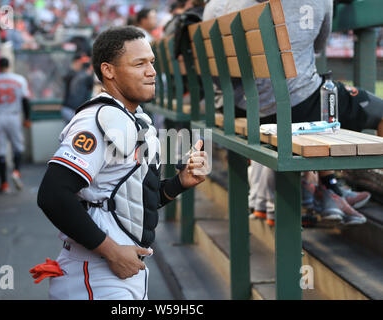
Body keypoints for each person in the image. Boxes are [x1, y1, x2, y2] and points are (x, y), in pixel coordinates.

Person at [33, 26, 209, 300]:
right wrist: (112, 252)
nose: (151, 71)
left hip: (117, 271)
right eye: (139, 64)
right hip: (96, 273)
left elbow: (132, 199)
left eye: (151, 62)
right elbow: (52, 195)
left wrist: (178, 184)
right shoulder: (96, 120)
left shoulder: (135, 118)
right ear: (109, 71)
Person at [204, 0, 380, 226]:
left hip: (239, 104)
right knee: (372, 109)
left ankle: (326, 187)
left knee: (321, 100)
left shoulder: (218, 5)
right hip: (292, 103)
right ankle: (326, 188)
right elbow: (318, 46)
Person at [0, 57, 31, 193]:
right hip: (14, 117)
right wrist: (27, 118)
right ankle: (16, 171)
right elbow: (25, 101)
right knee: (18, 147)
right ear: (9, 65)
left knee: (0, 151)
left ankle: (3, 184)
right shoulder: (19, 79)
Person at [61, 54, 94, 124]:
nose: (81, 65)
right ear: (75, 62)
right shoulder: (74, 74)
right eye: (80, 63)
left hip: (69, 109)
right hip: (71, 109)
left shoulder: (81, 75)